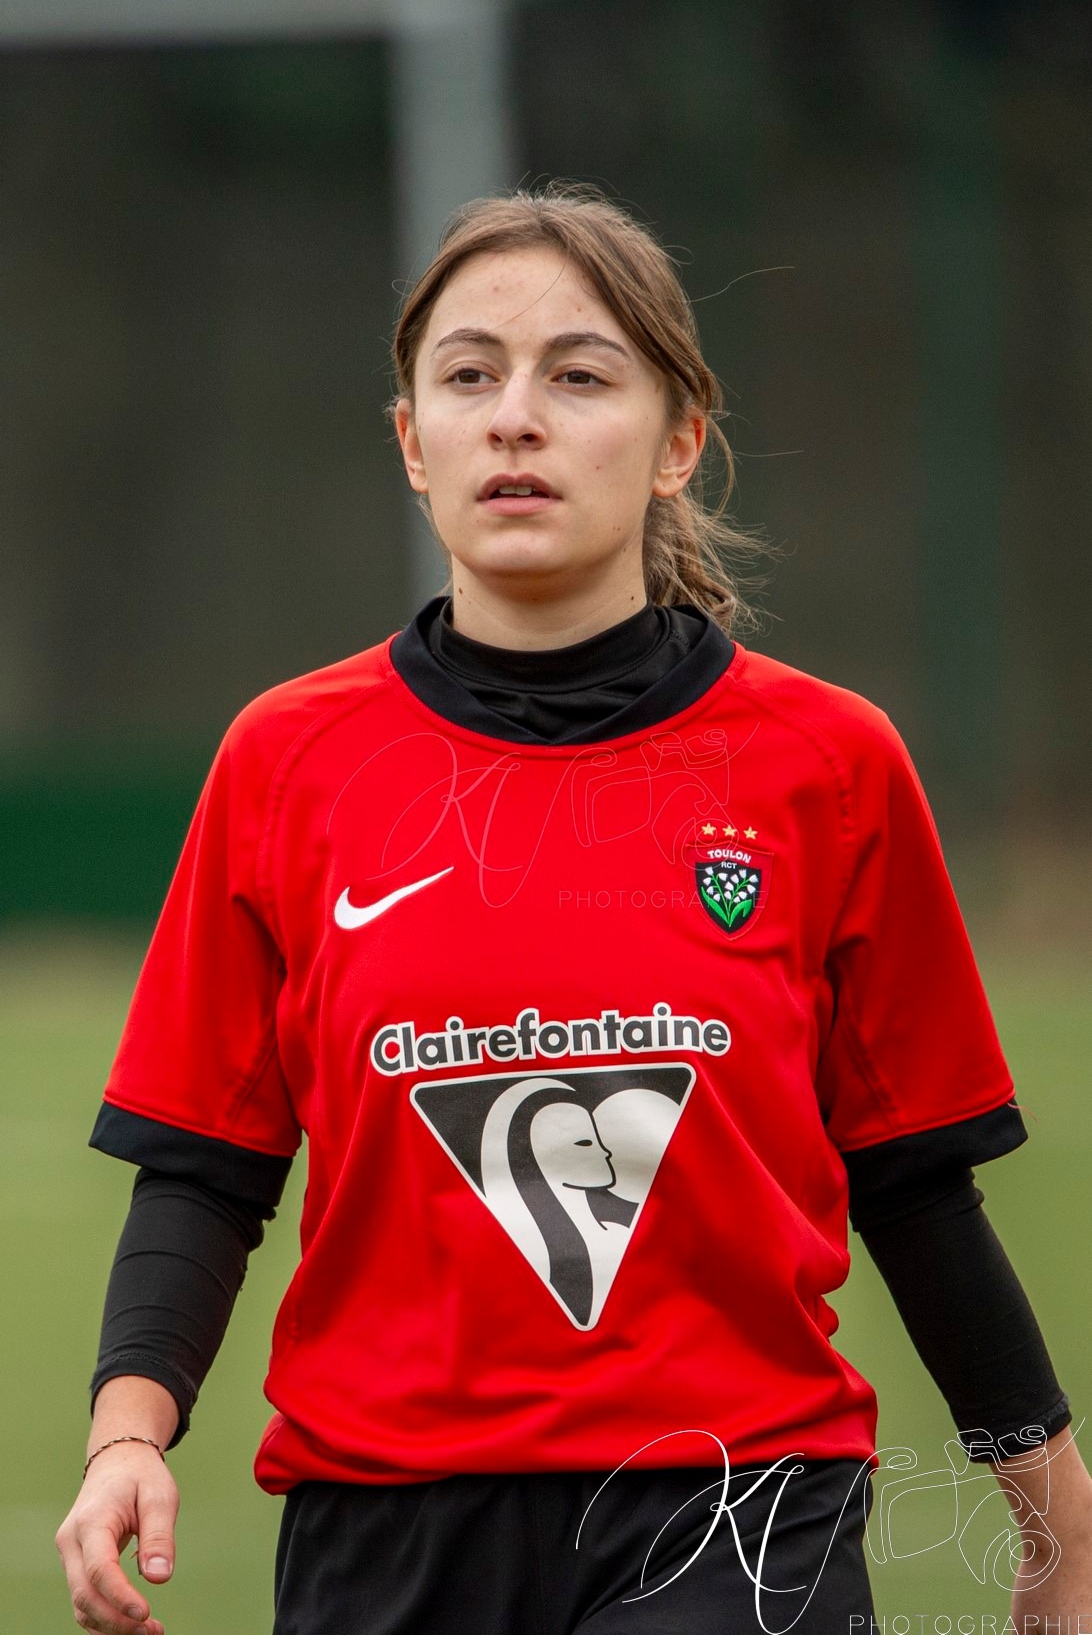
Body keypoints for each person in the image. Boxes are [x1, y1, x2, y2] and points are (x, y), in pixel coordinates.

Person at [56, 183, 1092, 1634]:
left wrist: (1057, 1517)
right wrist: (126, 1438)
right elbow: (203, 1172)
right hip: (383, 1525)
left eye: (580, 377)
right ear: (413, 442)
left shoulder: (826, 766)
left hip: (738, 1512)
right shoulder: (285, 762)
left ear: (679, 445)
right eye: (470, 376)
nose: (516, 419)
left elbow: (918, 1182)